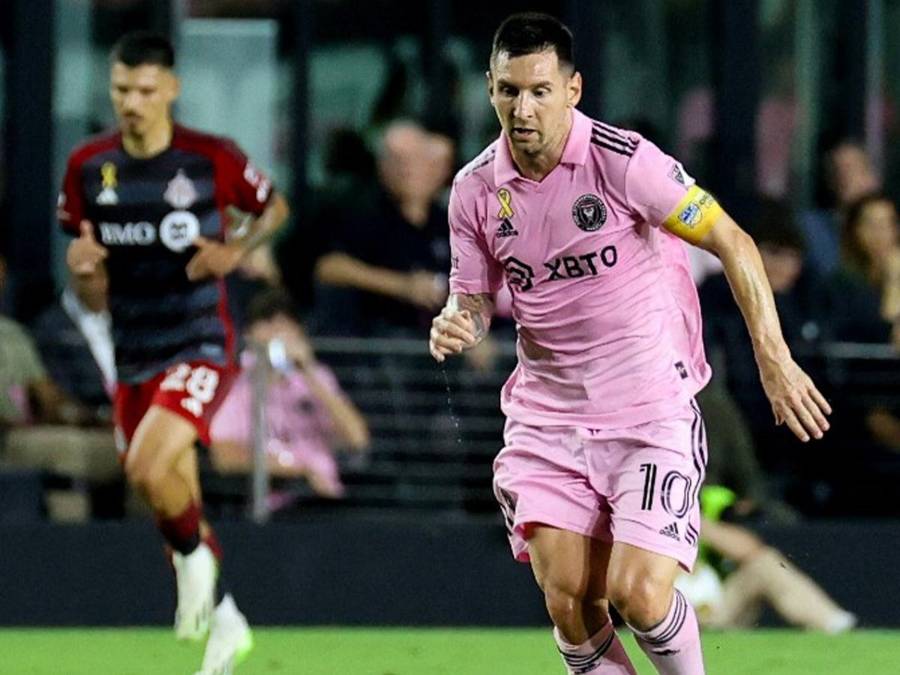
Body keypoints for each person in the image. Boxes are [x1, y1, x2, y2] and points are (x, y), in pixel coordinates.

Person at [428, 13, 830, 675]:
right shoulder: (474, 190)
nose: (522, 109)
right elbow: (472, 297)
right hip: (548, 419)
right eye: (508, 91)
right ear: (490, 90)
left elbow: (732, 240)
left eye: (539, 91)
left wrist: (774, 357)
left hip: (648, 410)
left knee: (639, 593)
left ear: (573, 89)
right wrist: (457, 319)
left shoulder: (623, 162)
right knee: (569, 601)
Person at [58, 32, 289, 675]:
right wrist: (83, 270)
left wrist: (236, 251)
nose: (131, 102)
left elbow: (273, 208)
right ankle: (227, 623)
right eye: (121, 90)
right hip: (132, 349)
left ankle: (192, 565)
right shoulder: (88, 167)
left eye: (145, 90)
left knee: (145, 464)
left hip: (199, 341)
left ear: (171, 90)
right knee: (166, 492)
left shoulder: (209, 158)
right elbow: (94, 292)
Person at [209, 289, 369, 498]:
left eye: (286, 323)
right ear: (248, 335)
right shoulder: (234, 386)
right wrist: (299, 474)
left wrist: (308, 371)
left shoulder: (317, 377)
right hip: (275, 502)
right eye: (268, 322)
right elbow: (225, 458)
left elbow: (357, 439)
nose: (278, 331)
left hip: (326, 500)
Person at [314, 120, 453, 336]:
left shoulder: (446, 220)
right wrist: (403, 286)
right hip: (376, 339)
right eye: (398, 160)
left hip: (438, 340)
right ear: (382, 165)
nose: (407, 169)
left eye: (415, 159)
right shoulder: (362, 211)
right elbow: (329, 268)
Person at [676, 488, 856, 633]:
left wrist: (694, 521)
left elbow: (751, 550)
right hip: (675, 619)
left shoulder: (704, 510)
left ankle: (831, 623)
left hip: (716, 614)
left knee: (764, 563)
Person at [32, 266, 116, 423]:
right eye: (94, 278)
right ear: (75, 279)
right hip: (86, 421)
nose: (103, 285)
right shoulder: (51, 327)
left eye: (107, 278)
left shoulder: (125, 318)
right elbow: (58, 389)